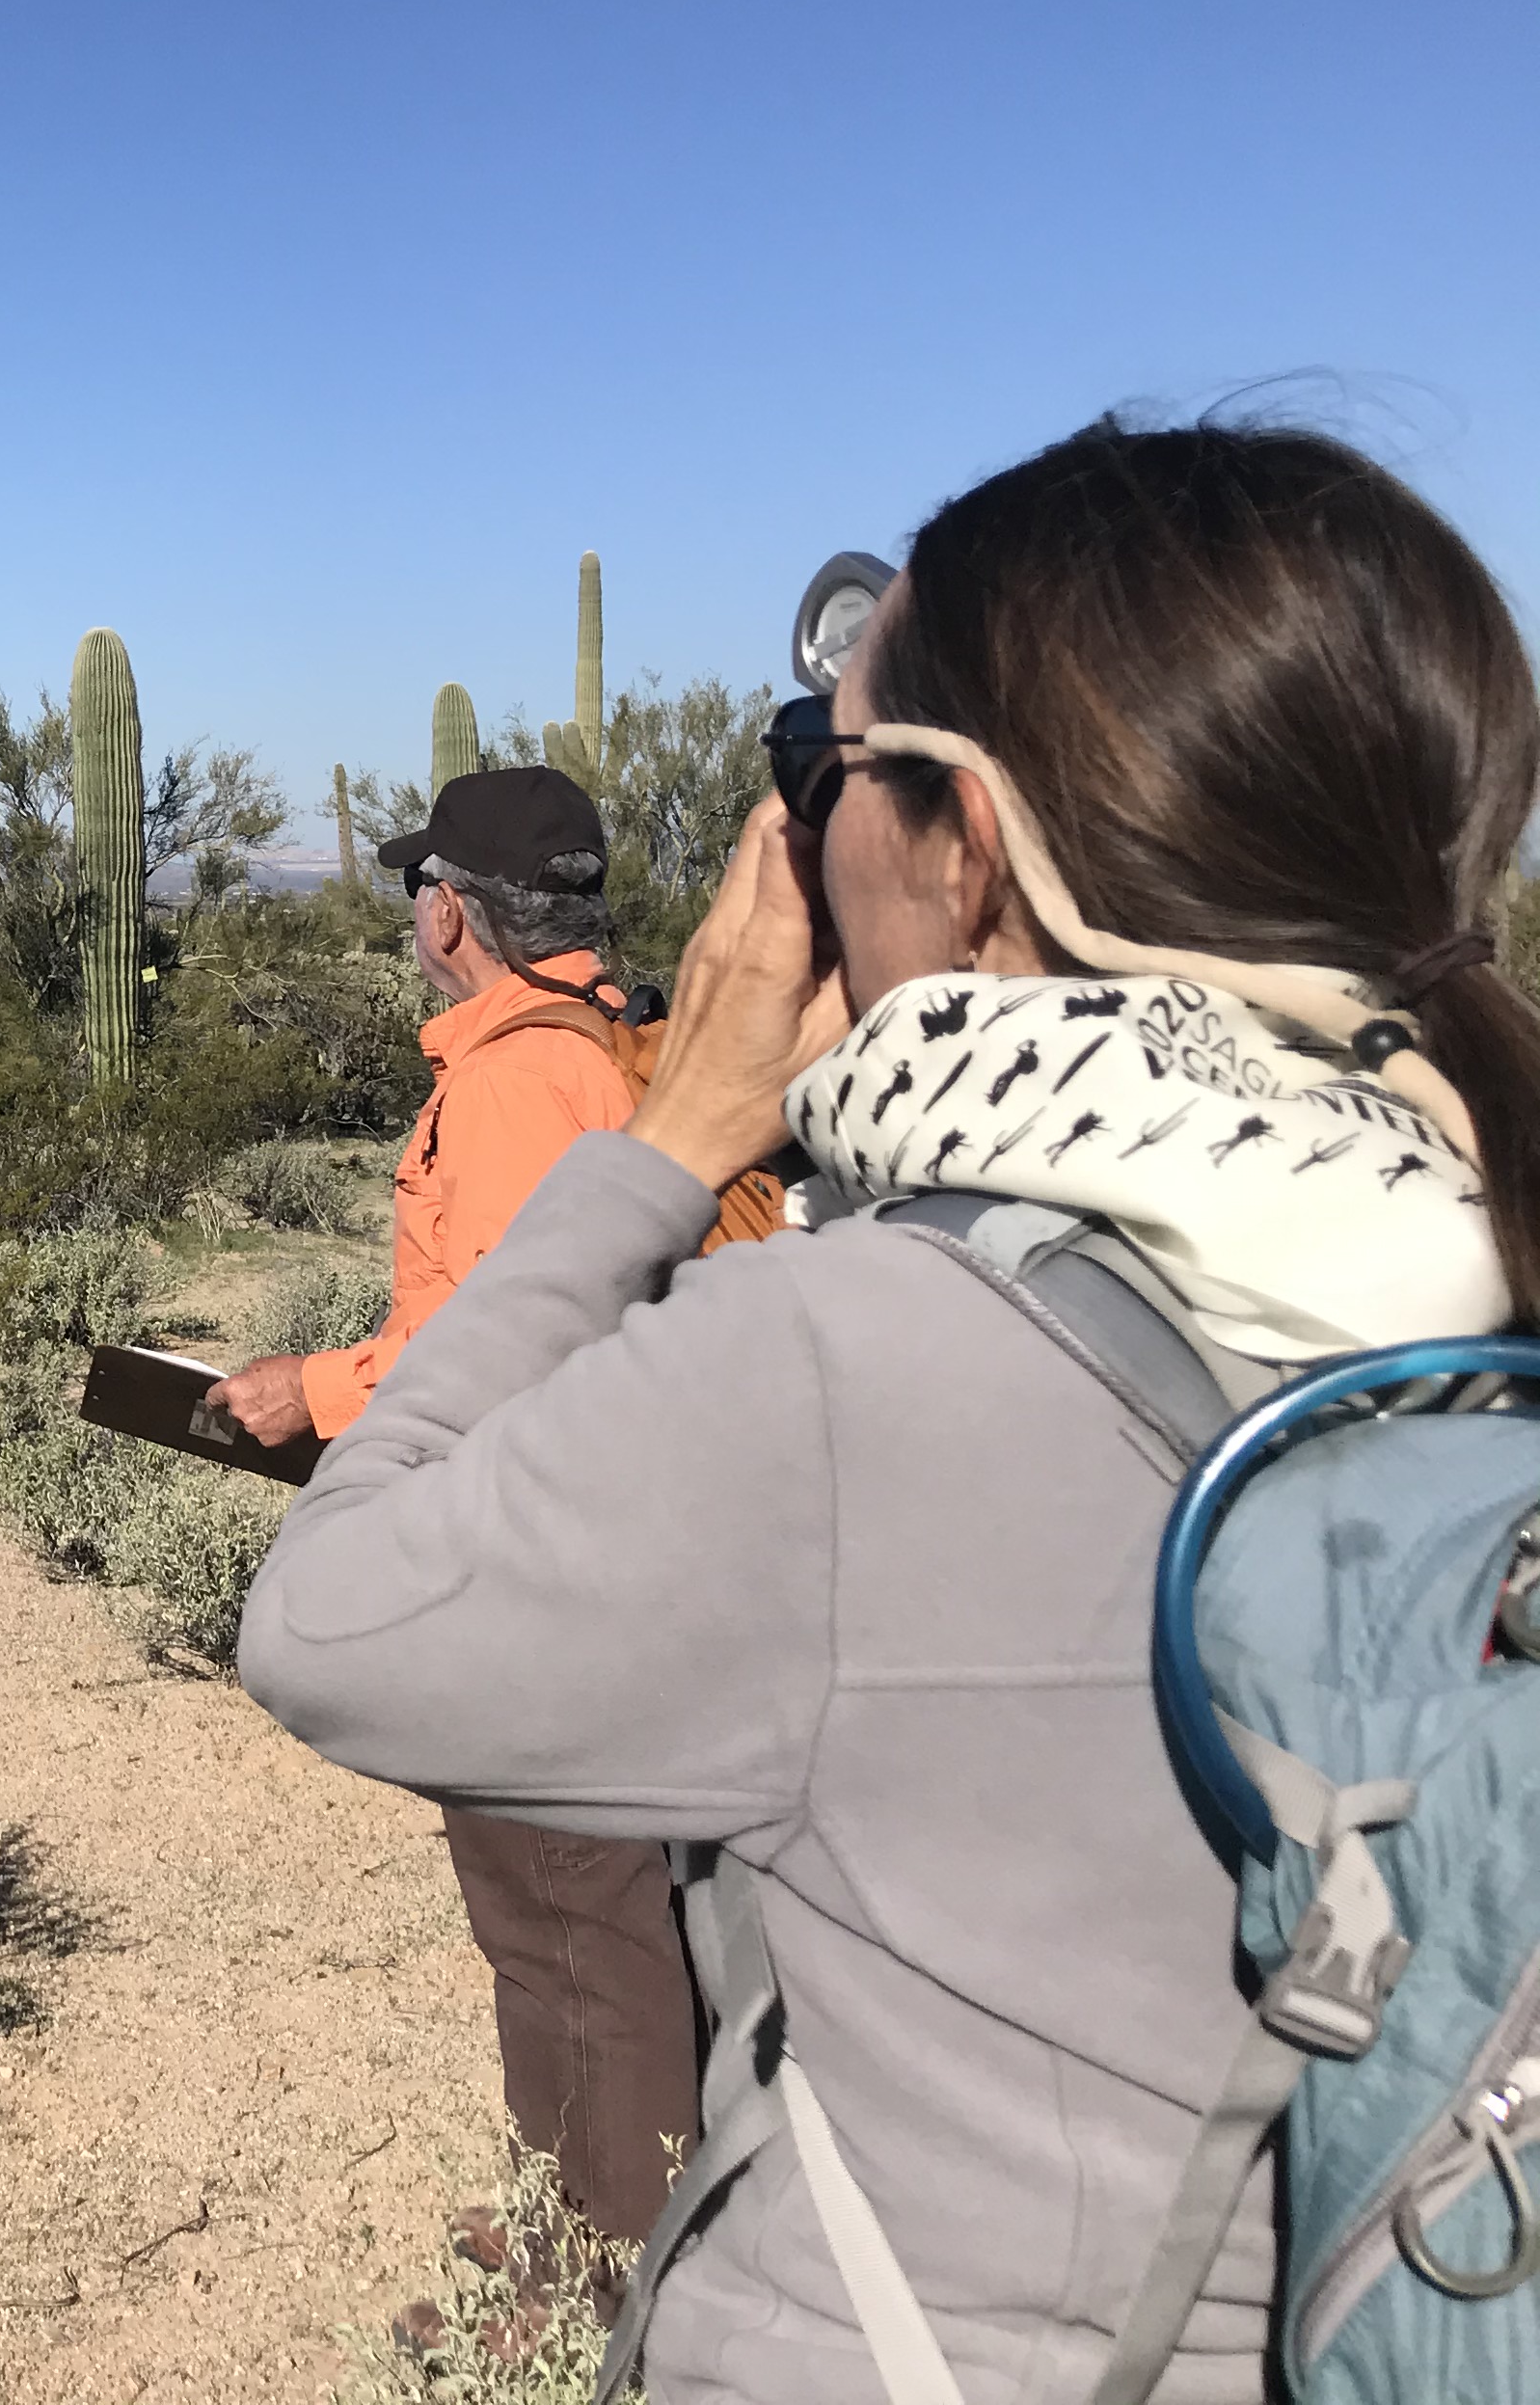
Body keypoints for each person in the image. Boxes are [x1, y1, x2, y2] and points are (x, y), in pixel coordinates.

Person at [235, 416, 1540, 2403]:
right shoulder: (1475, 1250)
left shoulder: (861, 1361)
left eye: (821, 764)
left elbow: (335, 1628)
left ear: (966, 843)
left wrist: (672, 1138)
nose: (796, 827)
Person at [202, 763, 706, 2260]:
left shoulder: (509, 1081)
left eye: (423, 889)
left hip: (536, 1551)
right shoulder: (608, 1042)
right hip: (612, 1527)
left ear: (450, 915)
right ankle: (567, 2226)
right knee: (561, 1919)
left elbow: (501, 1335)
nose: (417, 913)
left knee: (571, 1923)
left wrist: (321, 1390)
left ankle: (607, 2280)